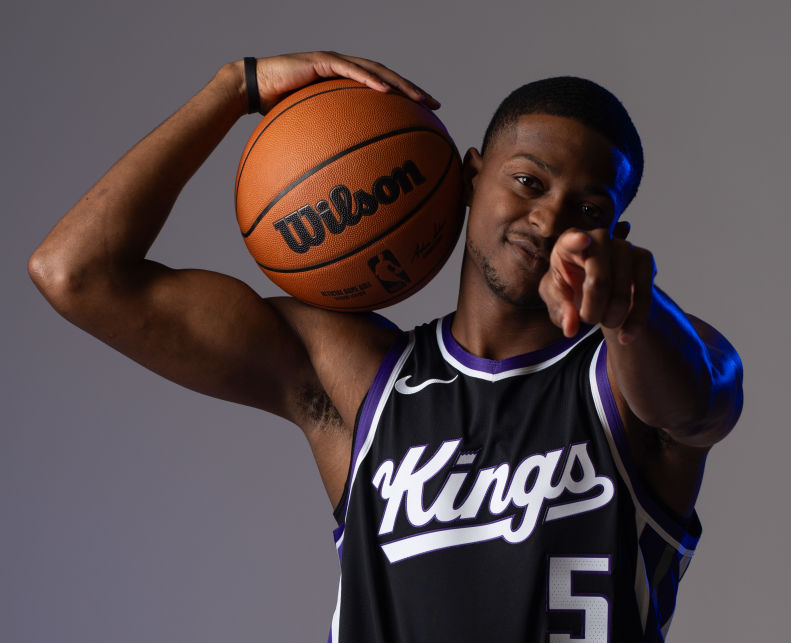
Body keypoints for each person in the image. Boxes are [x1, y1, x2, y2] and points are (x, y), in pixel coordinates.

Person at [29, 51, 743, 642]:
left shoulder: (632, 372)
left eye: (589, 209)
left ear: (614, 236)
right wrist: (234, 88)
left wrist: (630, 315)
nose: (548, 216)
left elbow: (701, 404)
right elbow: (76, 273)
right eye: (527, 180)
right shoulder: (360, 378)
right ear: (469, 177)